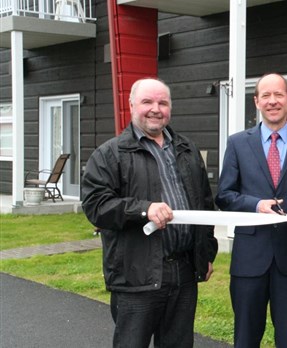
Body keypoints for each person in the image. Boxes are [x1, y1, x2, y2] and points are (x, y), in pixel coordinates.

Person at [81, 78, 218, 348]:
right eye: (147, 102)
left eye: (162, 103)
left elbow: (204, 204)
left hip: (183, 273)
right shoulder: (110, 154)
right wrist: (144, 209)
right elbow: (96, 205)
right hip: (136, 274)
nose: (156, 109)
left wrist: (206, 253)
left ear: (170, 108)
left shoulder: (187, 150)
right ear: (132, 105)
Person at [215, 73, 287, 348]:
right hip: (250, 256)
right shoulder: (238, 143)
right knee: (245, 337)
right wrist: (255, 204)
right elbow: (225, 195)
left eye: (279, 95)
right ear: (257, 101)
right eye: (266, 95)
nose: (272, 101)